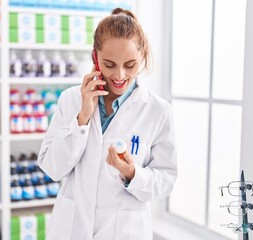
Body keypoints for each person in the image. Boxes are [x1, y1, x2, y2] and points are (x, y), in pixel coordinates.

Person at [38, 7, 177, 240]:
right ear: (95, 58)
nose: (120, 75)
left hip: (124, 231)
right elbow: (52, 168)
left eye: (130, 65)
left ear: (142, 57)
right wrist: (82, 118)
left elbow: (166, 180)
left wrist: (132, 173)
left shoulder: (158, 111)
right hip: (72, 229)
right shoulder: (71, 100)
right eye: (109, 64)